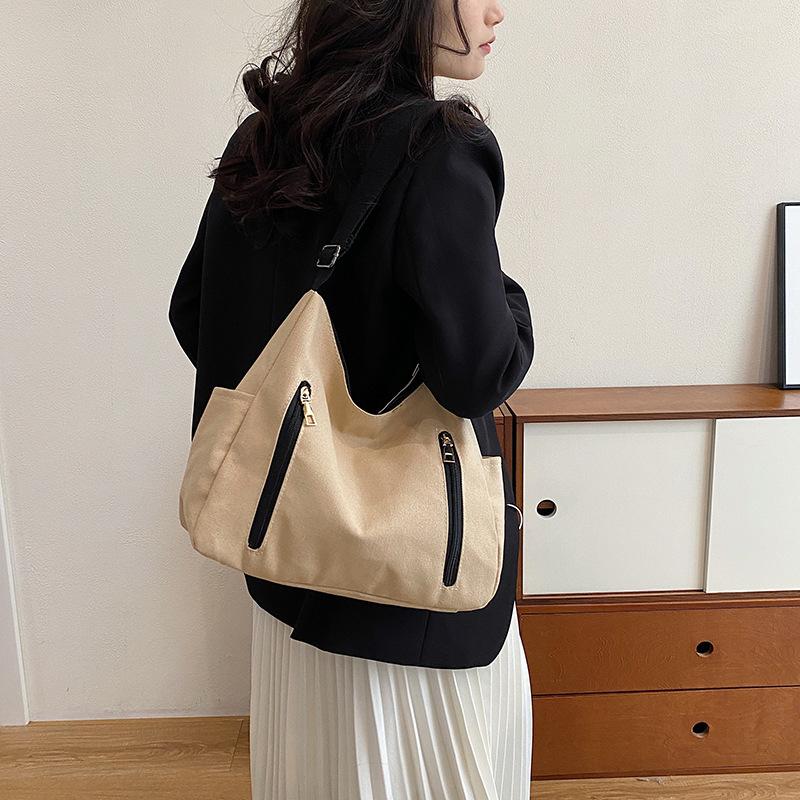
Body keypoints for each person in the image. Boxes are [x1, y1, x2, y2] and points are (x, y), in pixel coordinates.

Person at [168, 0, 535, 797]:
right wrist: (508, 296)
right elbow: (477, 372)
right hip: (408, 601)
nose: (497, 10)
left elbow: (194, 312)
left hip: (288, 568)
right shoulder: (440, 148)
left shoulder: (267, 136)